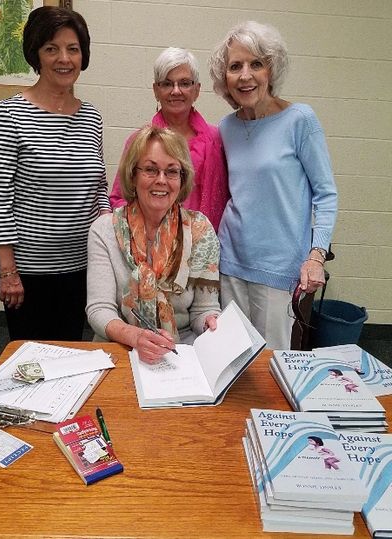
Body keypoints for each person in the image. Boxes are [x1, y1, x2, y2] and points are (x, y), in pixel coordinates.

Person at [208, 21, 338, 349]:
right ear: (225, 78)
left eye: (256, 64)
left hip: (278, 270)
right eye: (235, 66)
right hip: (230, 264)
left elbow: (325, 193)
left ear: (271, 68)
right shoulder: (226, 128)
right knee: (232, 359)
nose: (245, 75)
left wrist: (316, 256)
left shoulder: (300, 120)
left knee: (272, 366)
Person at [0, 6, 111, 341]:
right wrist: (8, 271)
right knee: (30, 359)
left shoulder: (92, 117)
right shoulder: (7, 115)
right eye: (51, 48)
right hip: (26, 271)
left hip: (80, 265)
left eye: (73, 49)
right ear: (36, 54)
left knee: (72, 349)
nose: (64, 58)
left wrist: (107, 224)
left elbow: (99, 185)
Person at [87, 126, 221, 364]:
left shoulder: (200, 229)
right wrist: (136, 337)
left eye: (172, 172)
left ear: (182, 178)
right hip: (119, 347)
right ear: (133, 175)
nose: (161, 180)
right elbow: (99, 309)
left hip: (179, 351)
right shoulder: (104, 229)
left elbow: (203, 310)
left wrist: (211, 321)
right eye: (150, 169)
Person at [109, 47, 229, 232]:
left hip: (204, 247)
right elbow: (120, 199)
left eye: (185, 83)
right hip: (150, 248)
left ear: (197, 90)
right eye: (167, 84)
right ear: (156, 91)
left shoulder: (217, 140)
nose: (176, 91)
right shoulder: (139, 141)